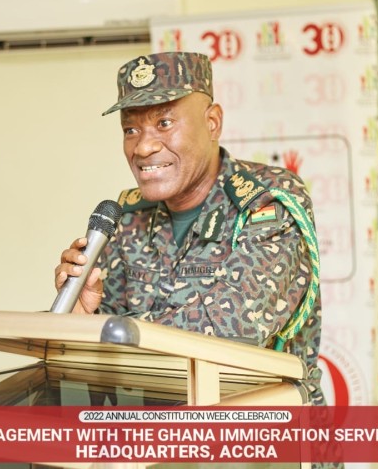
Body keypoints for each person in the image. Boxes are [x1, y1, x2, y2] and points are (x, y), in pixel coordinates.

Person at [55, 52, 325, 406]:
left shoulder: (268, 200)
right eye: (130, 130)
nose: (143, 147)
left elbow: (231, 331)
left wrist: (107, 330)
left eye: (164, 123)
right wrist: (82, 317)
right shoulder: (129, 216)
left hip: (256, 433)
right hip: (156, 432)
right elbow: (102, 364)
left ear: (212, 123)